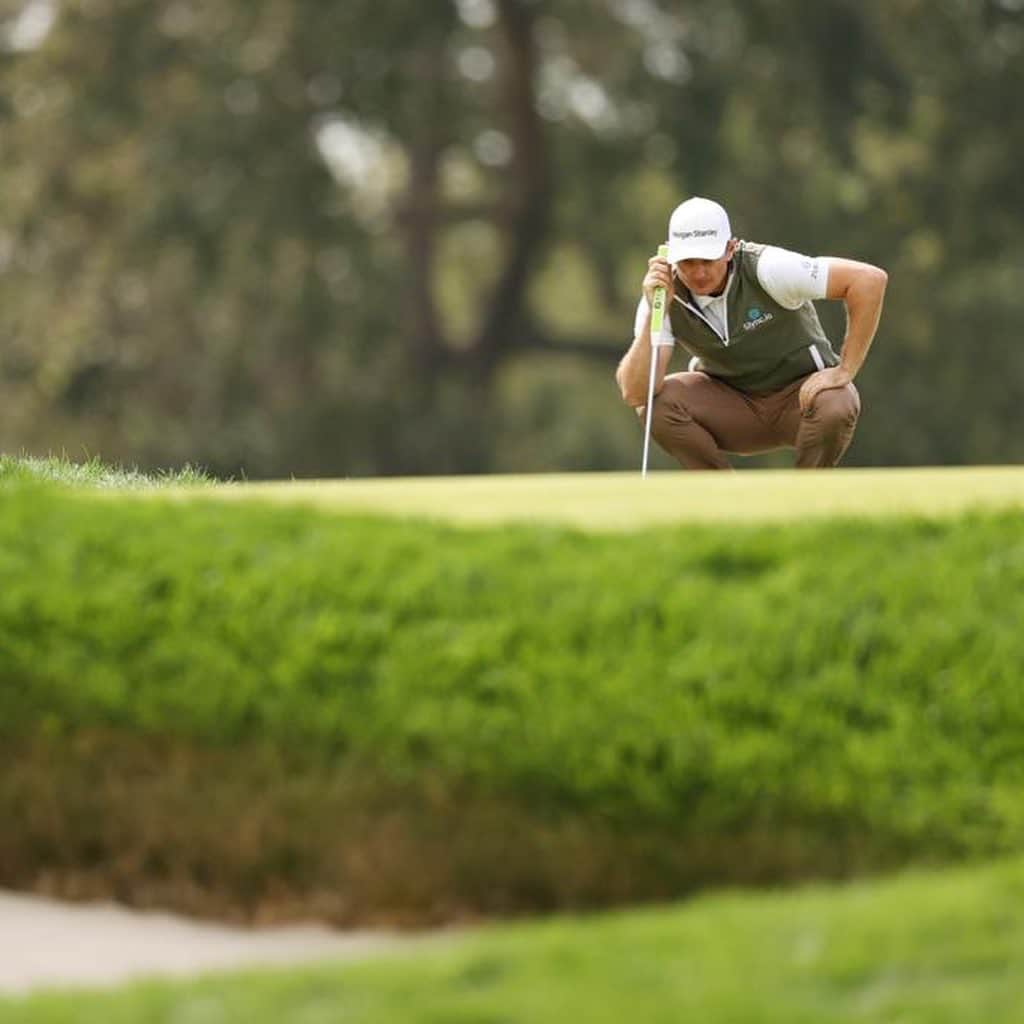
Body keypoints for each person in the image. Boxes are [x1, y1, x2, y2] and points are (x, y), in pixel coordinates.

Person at [616, 196, 888, 470]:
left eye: (708, 259)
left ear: (730, 249)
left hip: (801, 400)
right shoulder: (662, 293)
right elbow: (635, 393)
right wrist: (655, 312)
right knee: (659, 404)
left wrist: (845, 369)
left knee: (837, 401)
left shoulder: (769, 268)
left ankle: (807, 501)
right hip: (732, 408)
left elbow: (868, 280)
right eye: (687, 262)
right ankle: (728, 504)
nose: (698, 273)